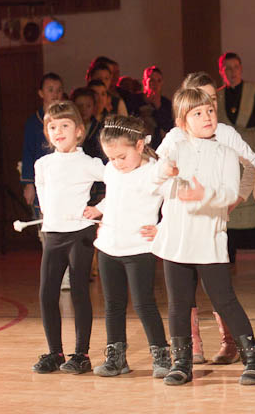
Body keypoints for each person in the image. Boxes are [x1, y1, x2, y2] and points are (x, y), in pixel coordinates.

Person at [151, 87, 255, 386]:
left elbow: (230, 193)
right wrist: (164, 171)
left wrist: (207, 194)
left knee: (224, 299)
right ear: (182, 122)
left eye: (210, 111)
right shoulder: (175, 149)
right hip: (176, 237)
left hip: (208, 237)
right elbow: (153, 184)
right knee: (179, 303)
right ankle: (182, 362)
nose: (207, 117)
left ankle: (253, 359)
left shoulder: (226, 153)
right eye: (197, 113)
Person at [82, 115, 171, 379]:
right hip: (110, 246)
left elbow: (175, 203)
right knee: (113, 305)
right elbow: (115, 197)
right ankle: (116, 358)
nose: (116, 163)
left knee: (144, 304)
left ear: (140, 146)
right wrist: (98, 210)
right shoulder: (112, 170)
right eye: (112, 158)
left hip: (139, 249)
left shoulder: (154, 172)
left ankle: (161, 355)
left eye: (122, 157)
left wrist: (162, 228)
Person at [31, 101, 106, 374]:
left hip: (80, 234)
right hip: (53, 235)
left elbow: (119, 180)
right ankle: (55, 352)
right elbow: (42, 196)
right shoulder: (43, 164)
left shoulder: (88, 163)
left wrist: (101, 208)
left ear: (79, 131)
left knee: (78, 291)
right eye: (52, 127)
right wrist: (50, 218)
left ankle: (81, 353)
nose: (58, 131)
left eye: (65, 125)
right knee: (47, 293)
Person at [217, 52, 255, 262]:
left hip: (252, 146)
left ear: (241, 68)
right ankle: (231, 249)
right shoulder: (217, 96)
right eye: (227, 68)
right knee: (232, 192)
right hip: (229, 152)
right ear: (221, 71)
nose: (232, 72)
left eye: (235, 67)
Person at [21, 73, 64, 219]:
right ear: (41, 93)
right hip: (43, 179)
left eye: (58, 90)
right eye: (50, 90)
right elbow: (28, 153)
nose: (55, 94)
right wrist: (29, 183)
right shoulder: (33, 122)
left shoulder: (68, 119)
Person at [138, 65, 174, 150]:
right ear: (144, 82)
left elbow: (168, 127)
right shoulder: (136, 100)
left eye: (159, 81)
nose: (155, 84)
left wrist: (158, 107)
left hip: (158, 146)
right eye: (152, 81)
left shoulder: (166, 104)